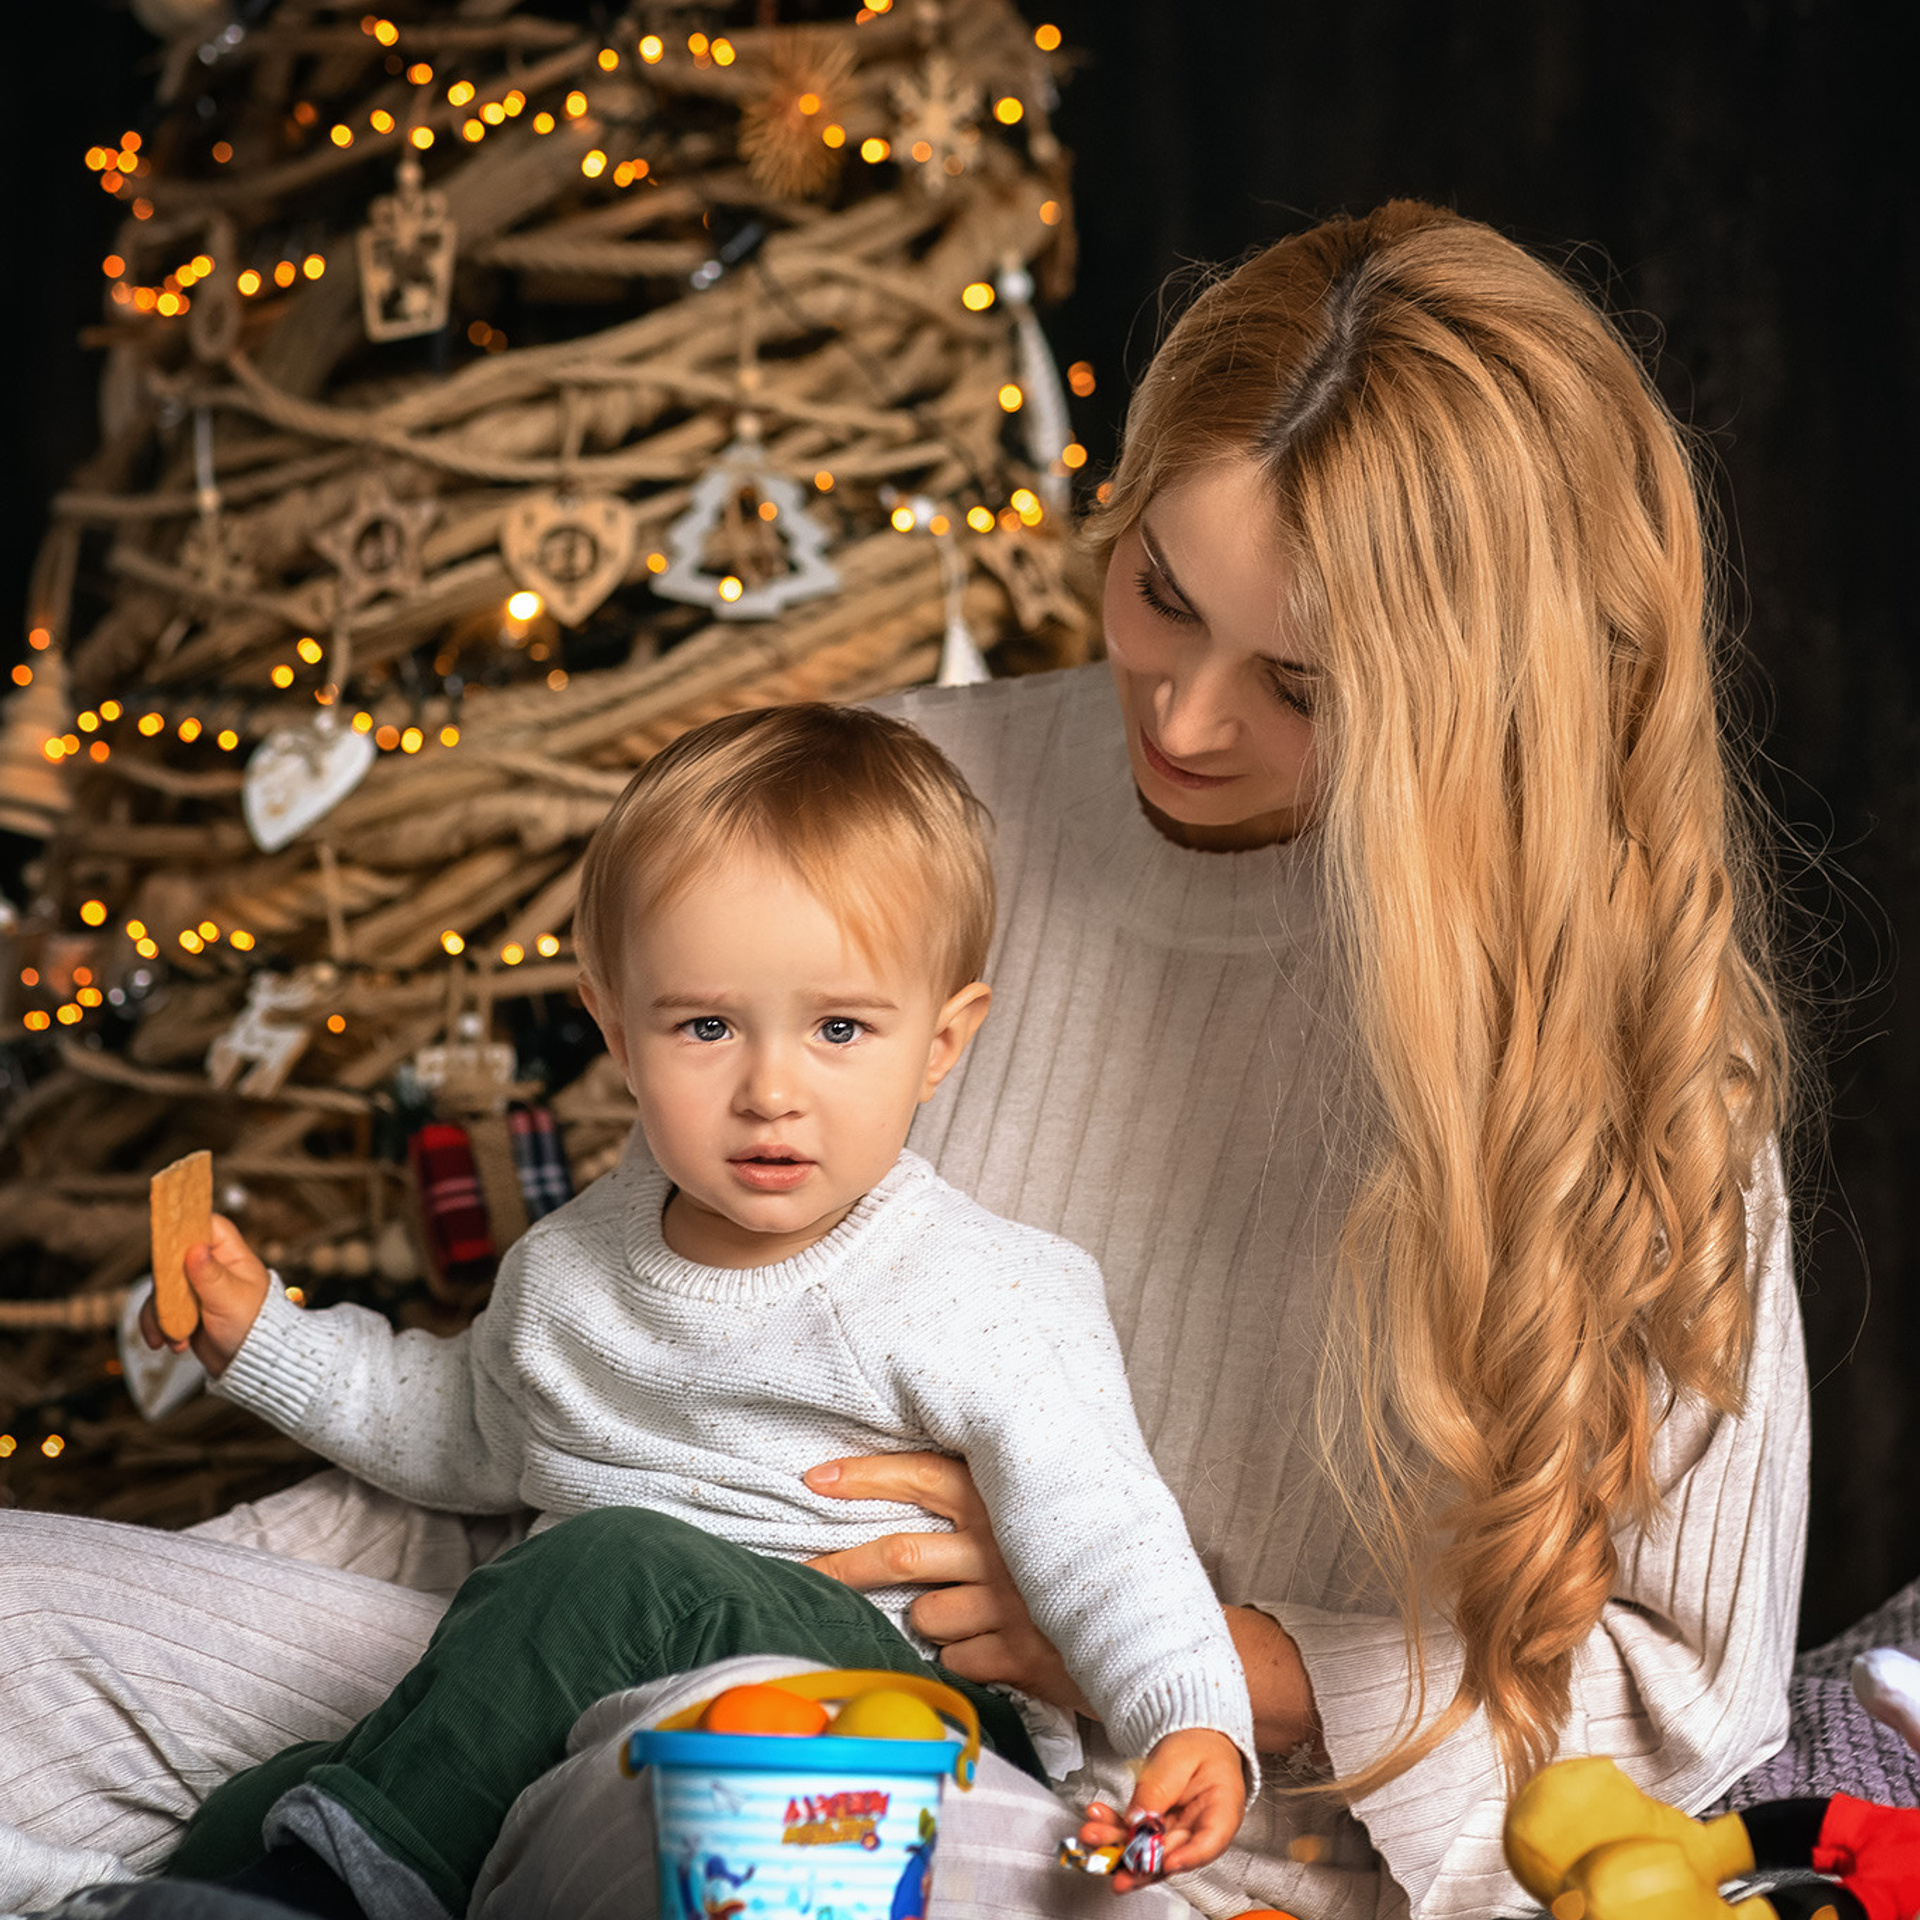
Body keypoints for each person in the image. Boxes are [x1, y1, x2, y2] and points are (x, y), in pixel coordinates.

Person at [0, 200, 1809, 1920]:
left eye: (1303, 686)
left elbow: (1688, 1695)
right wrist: (217, 1535)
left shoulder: (1625, 1048)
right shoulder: (890, 795)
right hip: (552, 1623)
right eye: (1160, 594)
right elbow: (588, 1382)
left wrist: (1170, 1650)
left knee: (737, 1823)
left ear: (1471, 685)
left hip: (1056, 1799)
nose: (1180, 716)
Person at [138, 704, 1252, 1917]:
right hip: (593, 1704)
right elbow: (457, 1428)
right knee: (283, 1795)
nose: (771, 1090)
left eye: (839, 1029)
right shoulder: (571, 1267)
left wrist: (1192, 1719)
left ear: (940, 1044)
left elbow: (1108, 1534)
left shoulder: (990, 1290)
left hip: (889, 1712)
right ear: (617, 1026)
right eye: (708, 1026)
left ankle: (322, 1895)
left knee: (611, 1569)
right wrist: (263, 1339)